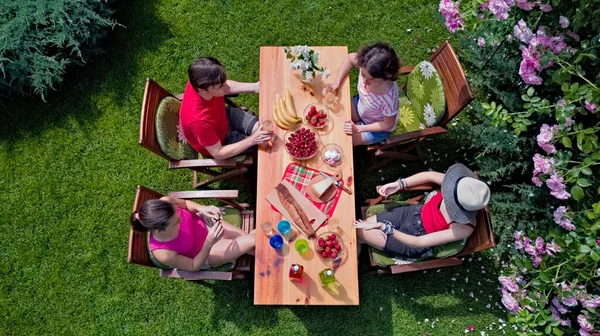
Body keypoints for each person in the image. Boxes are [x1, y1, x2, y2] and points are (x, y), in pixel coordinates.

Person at [354, 163, 490, 259]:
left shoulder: (465, 228)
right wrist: (399, 184)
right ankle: (357, 247)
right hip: (411, 213)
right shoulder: (458, 187)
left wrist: (386, 228)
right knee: (358, 232)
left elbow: (419, 242)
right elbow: (429, 176)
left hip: (414, 238)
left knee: (358, 231)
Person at [179, 57, 272, 160]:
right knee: (267, 144)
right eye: (221, 86)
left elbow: (226, 86)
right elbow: (218, 153)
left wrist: (254, 87)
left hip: (224, 116)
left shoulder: (199, 78)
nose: (226, 87)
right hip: (221, 142)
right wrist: (252, 140)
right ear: (202, 90)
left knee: (267, 130)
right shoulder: (198, 121)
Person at [130, 197, 255, 271]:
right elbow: (193, 266)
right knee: (251, 241)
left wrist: (202, 208)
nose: (181, 220)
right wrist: (208, 243)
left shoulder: (166, 202)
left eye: (178, 215)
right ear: (158, 230)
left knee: (250, 243)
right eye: (175, 223)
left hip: (207, 223)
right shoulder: (163, 253)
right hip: (205, 252)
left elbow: (185, 204)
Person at [325, 41, 400, 146]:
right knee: (333, 119)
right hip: (361, 105)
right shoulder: (367, 63)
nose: (364, 82)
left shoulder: (388, 99)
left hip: (376, 128)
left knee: (342, 141)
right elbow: (349, 58)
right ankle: (357, 121)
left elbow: (388, 124)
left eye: (371, 79)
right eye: (363, 74)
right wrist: (337, 82)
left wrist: (359, 128)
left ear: (386, 76)